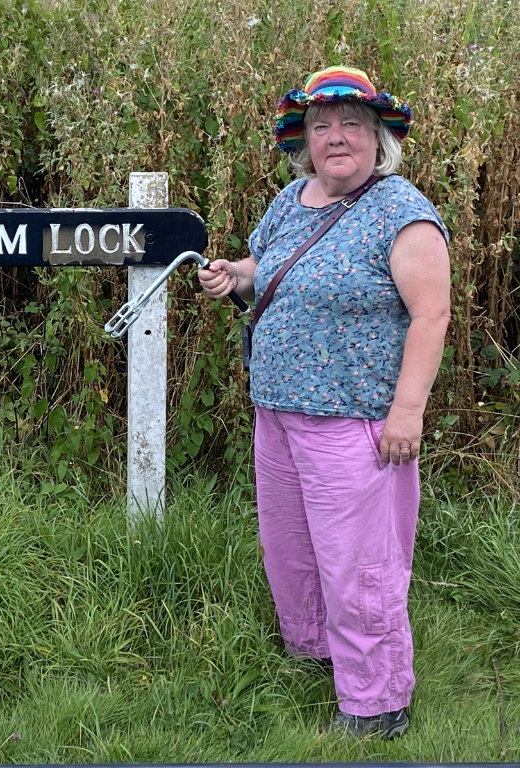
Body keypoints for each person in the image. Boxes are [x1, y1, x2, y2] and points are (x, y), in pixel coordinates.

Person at [198, 66, 451, 739]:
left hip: (357, 421)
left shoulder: (403, 213)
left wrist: (407, 413)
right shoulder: (290, 201)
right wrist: (235, 275)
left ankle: (377, 705)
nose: (335, 137)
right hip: (278, 412)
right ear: (305, 141)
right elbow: (270, 268)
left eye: (350, 125)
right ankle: (314, 656)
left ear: (377, 137)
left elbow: (432, 316)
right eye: (320, 126)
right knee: (292, 550)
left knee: (360, 564)